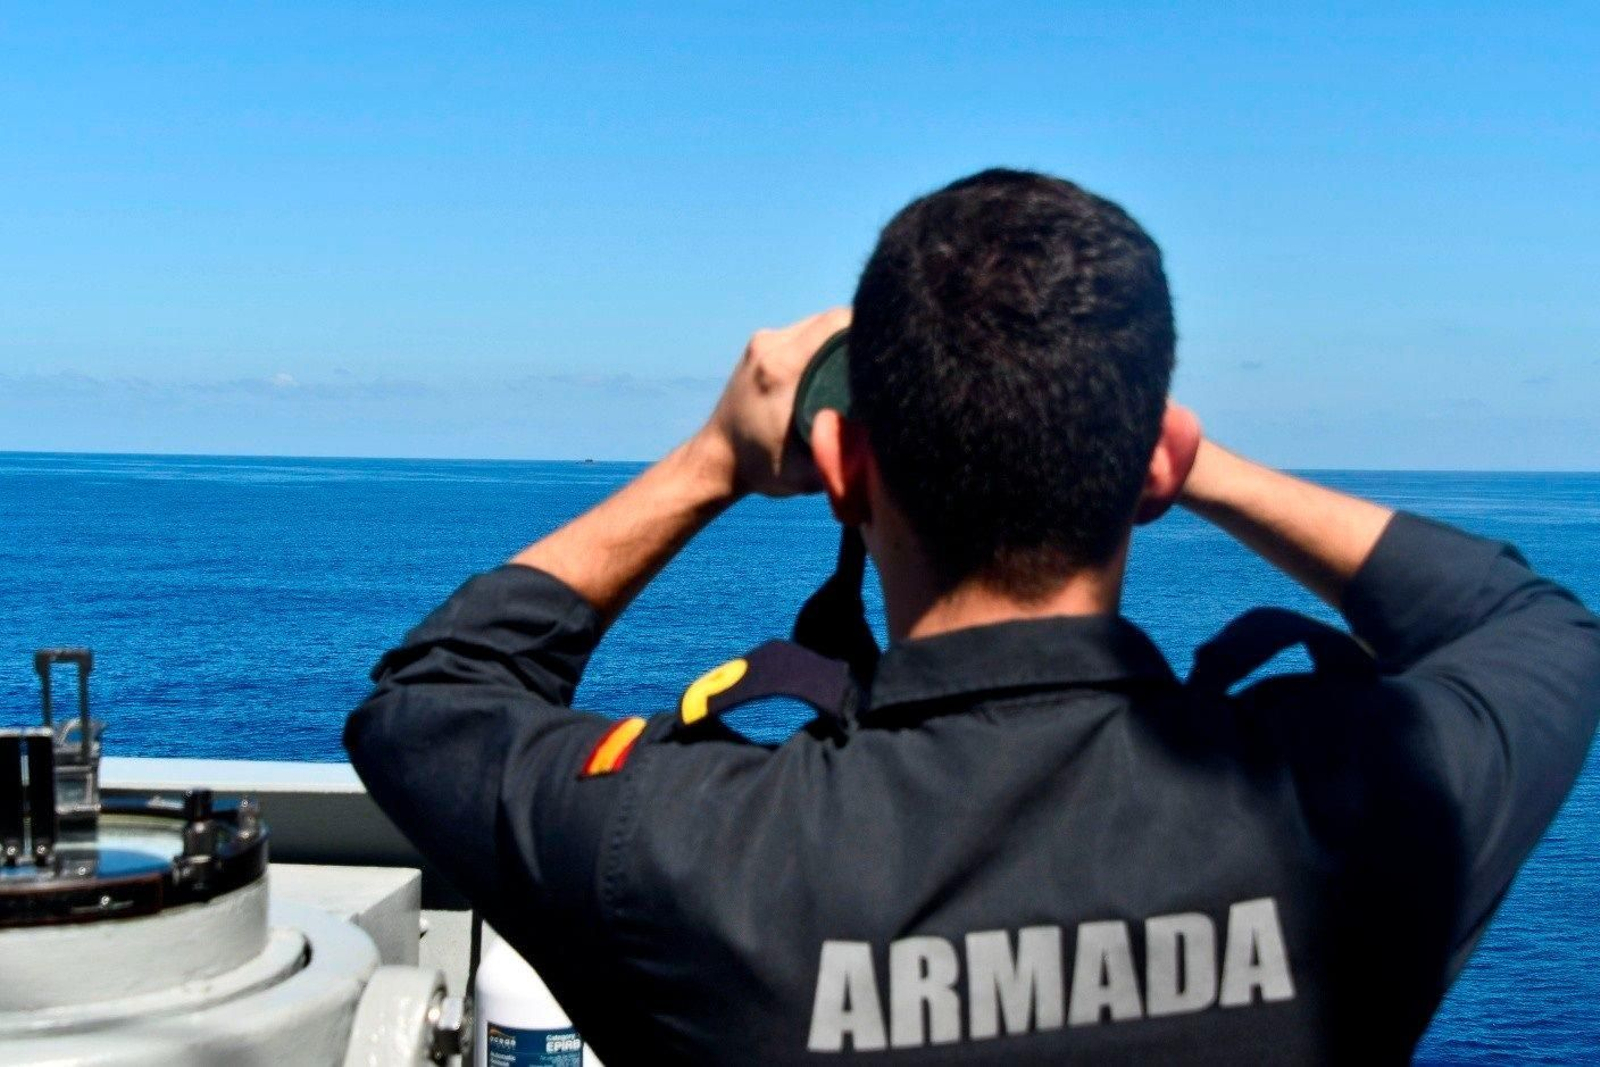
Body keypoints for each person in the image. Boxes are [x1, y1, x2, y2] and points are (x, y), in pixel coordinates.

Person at [345, 169, 1600, 1063]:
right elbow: (1532, 626)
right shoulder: (1362, 815)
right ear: (1153, 462)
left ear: (843, 469)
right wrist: (1179, 457)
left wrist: (712, 459)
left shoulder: (685, 854)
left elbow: (429, 701)